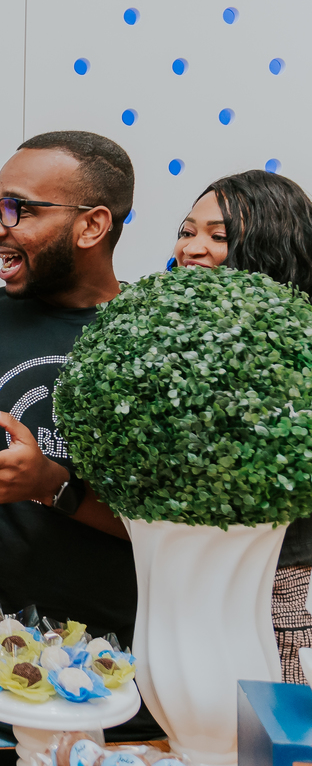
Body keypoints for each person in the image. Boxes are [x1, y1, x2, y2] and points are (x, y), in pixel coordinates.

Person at [0, 131, 162, 747]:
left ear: (92, 225)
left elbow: (180, 530)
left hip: (117, 687)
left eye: (18, 209)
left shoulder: (157, 337)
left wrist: (54, 486)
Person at [173, 169, 312, 684]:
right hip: (190, 584)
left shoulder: (297, 347)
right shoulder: (178, 333)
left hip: (278, 592)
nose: (193, 248)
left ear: (271, 248)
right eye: (188, 231)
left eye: (219, 237)